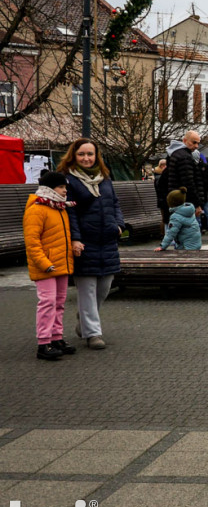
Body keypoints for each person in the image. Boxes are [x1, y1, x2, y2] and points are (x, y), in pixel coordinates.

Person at [59, 138, 123, 351]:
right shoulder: (68, 180)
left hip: (107, 240)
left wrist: (119, 224)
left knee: (104, 288)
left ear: (96, 156)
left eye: (90, 154)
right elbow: (71, 213)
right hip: (85, 241)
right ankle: (93, 333)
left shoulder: (104, 177)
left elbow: (114, 203)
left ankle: (84, 320)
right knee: (87, 290)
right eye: (81, 154)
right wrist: (75, 238)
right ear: (73, 156)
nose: (86, 158)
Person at [24, 171, 76, 361]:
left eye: (65, 187)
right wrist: (45, 264)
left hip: (60, 263)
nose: (64, 191)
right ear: (50, 189)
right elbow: (32, 242)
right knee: (47, 302)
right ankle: (43, 342)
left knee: (59, 302)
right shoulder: (37, 209)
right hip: (46, 266)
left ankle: (56, 337)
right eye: (61, 187)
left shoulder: (59, 208)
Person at [165, 131, 206, 223]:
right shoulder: (185, 157)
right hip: (186, 202)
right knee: (190, 232)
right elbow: (189, 182)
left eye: (198, 143)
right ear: (185, 140)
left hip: (178, 200)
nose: (196, 146)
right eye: (194, 142)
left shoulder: (175, 154)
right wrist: (197, 204)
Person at [155, 187, 202, 251]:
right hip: (195, 244)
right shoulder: (189, 211)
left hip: (185, 246)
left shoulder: (175, 217)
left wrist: (162, 246)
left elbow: (170, 233)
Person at [153, 158, 169, 226]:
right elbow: (162, 189)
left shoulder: (158, 176)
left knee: (165, 219)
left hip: (162, 200)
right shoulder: (160, 177)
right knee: (165, 219)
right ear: (162, 166)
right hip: (163, 201)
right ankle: (164, 234)